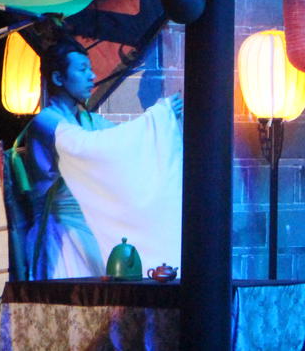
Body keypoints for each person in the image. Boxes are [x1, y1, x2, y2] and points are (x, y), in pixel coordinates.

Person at [20, 36, 183, 280]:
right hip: (62, 233)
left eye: (91, 69)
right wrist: (155, 119)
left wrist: (161, 126)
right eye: (82, 69)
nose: (92, 76)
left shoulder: (89, 121)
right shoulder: (46, 122)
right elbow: (89, 147)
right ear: (58, 78)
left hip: (91, 228)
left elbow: (123, 148)